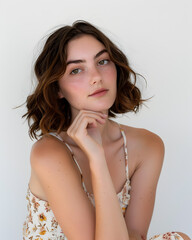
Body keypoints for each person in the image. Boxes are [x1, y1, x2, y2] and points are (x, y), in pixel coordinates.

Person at [22, 20, 190, 240]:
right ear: (57, 89)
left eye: (102, 61)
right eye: (76, 70)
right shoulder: (49, 153)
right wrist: (97, 159)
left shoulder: (148, 146)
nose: (96, 77)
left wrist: (97, 155)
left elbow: (135, 235)